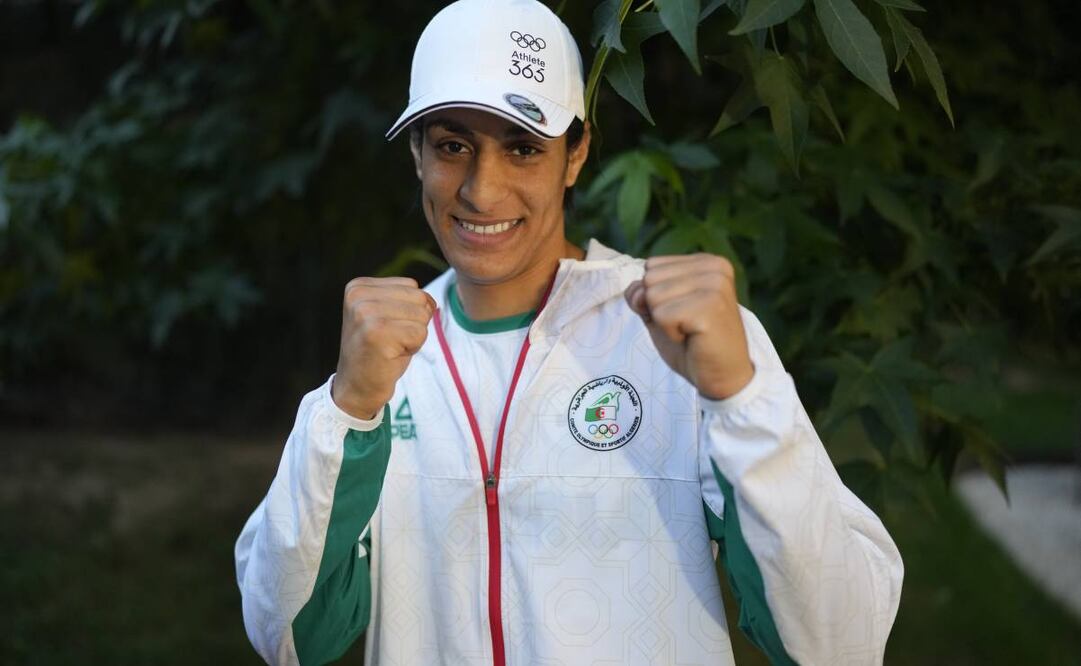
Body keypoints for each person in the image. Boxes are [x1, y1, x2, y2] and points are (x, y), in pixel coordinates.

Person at [234, 0, 904, 664]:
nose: (481, 191)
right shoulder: (383, 361)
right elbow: (288, 636)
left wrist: (740, 396)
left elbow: (838, 644)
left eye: (523, 146)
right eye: (451, 145)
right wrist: (344, 410)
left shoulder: (682, 340)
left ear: (576, 154)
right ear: (416, 153)